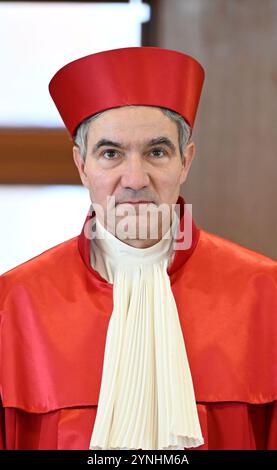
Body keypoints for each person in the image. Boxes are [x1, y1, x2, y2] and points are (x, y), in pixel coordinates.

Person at [0, 47, 276, 450]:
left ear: (186, 161)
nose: (134, 178)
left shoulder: (265, 294)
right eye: (110, 153)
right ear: (81, 165)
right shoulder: (13, 304)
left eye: (157, 152)